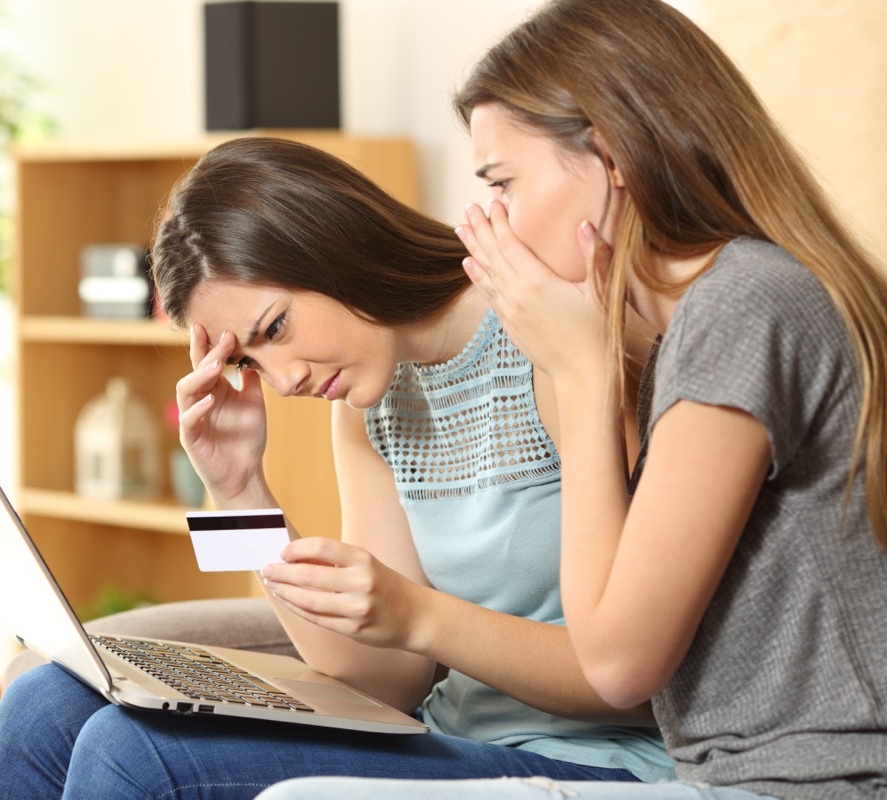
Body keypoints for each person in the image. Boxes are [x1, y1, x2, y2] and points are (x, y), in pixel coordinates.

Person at [254, 0, 887, 798]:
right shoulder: (695, 321)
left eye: (503, 183)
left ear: (612, 156)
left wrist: (582, 374)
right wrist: (238, 491)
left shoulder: (743, 307)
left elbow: (616, 664)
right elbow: (387, 675)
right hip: (720, 776)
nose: (489, 220)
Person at [0, 135, 674, 799]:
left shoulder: (550, 344)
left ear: (333, 245)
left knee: (129, 755)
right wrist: (239, 490)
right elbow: (382, 679)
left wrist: (420, 616)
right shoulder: (371, 404)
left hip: (593, 760)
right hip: (447, 738)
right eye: (249, 361)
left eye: (275, 328)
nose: (284, 381)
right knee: (42, 704)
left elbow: (637, 674)